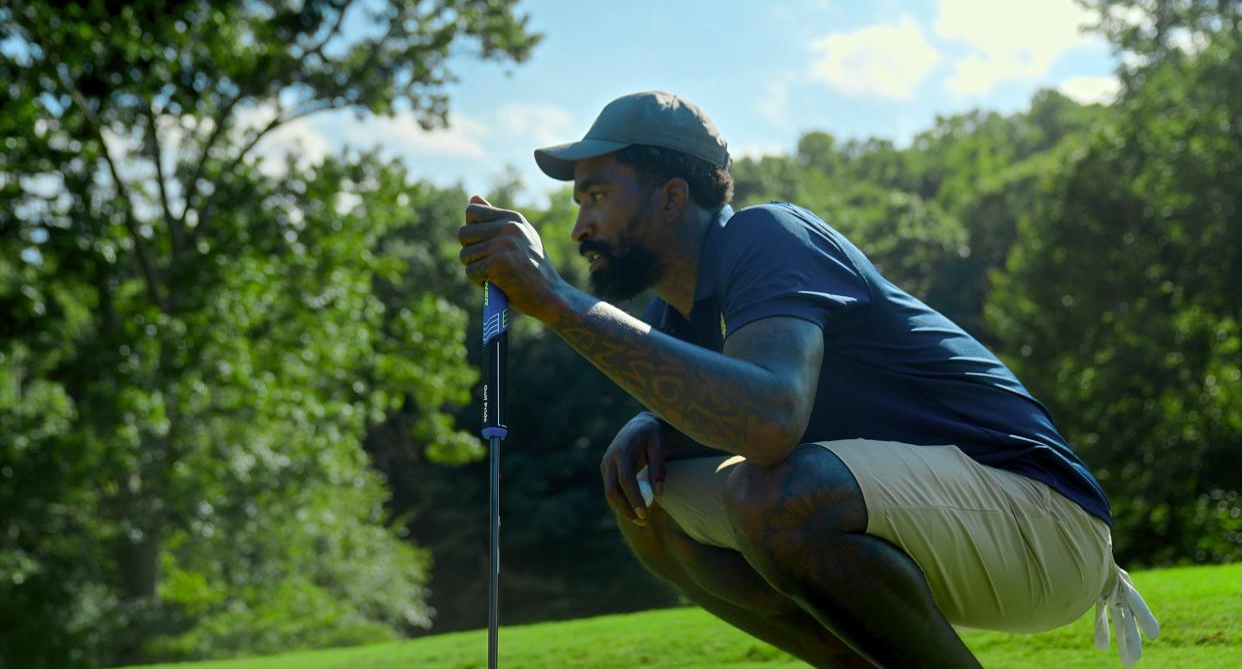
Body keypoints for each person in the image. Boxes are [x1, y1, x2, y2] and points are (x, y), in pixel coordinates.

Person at [457, 91, 1158, 668]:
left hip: (1045, 522)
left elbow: (768, 421)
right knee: (647, 498)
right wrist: (652, 421)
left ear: (672, 198)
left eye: (598, 195)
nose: (580, 226)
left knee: (769, 491)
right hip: (955, 529)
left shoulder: (768, 236)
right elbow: (714, 400)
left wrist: (554, 299)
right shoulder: (677, 311)